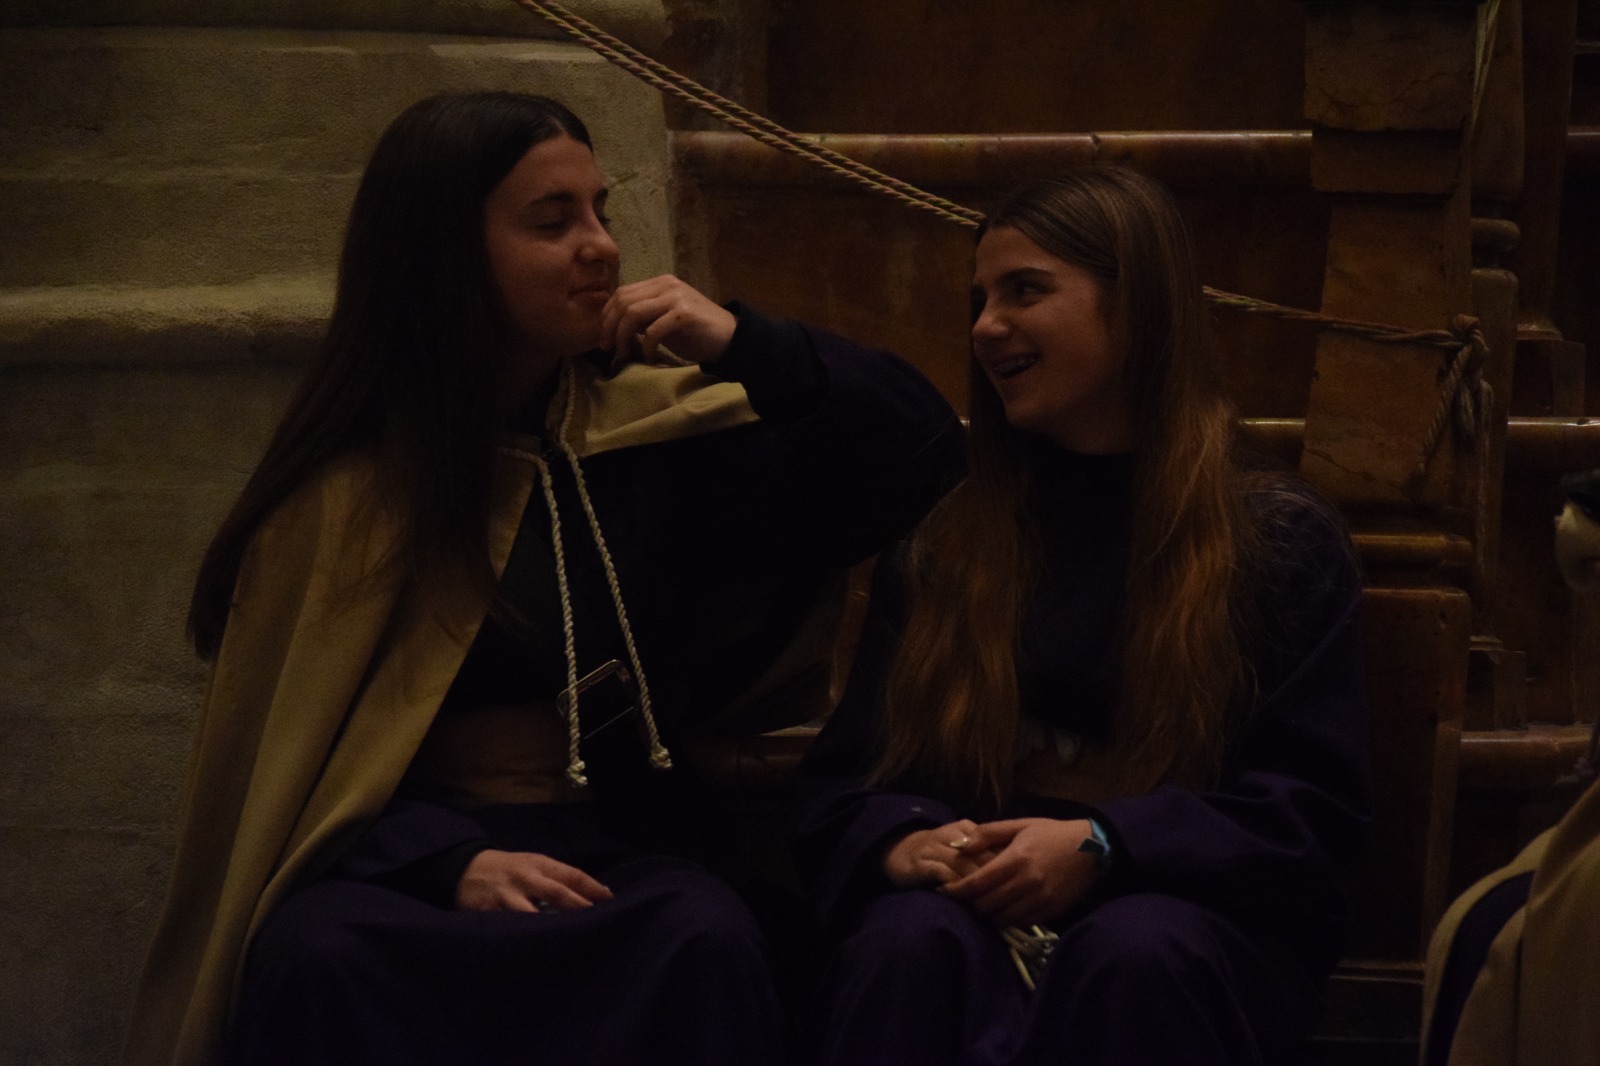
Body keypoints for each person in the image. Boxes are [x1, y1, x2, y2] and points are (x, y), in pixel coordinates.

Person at [123, 91, 964, 1066]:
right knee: (319, 957)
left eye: (600, 211)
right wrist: (449, 862)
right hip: (401, 858)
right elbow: (290, 780)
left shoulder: (656, 444)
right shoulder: (346, 497)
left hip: (623, 844)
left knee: (702, 936)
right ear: (445, 253)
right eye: (552, 222)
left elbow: (922, 457)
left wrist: (747, 344)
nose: (600, 246)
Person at [793, 167, 1371, 1066]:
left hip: (1184, 918)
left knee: (1133, 953)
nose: (986, 326)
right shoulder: (951, 539)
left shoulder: (1274, 538)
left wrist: (1108, 843)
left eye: (1025, 291)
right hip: (974, 909)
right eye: (980, 299)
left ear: (1135, 308)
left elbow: (1308, 810)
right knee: (906, 943)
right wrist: (905, 841)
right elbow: (849, 778)